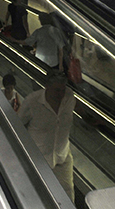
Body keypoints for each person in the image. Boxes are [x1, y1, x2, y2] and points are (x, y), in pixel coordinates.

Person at [18, 72, 75, 201]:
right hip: (39, 158)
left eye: (62, 90)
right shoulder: (32, 102)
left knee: (67, 193)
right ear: (47, 87)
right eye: (56, 90)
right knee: (39, 195)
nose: (60, 94)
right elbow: (18, 125)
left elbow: (77, 106)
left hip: (62, 156)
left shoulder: (69, 96)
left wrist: (90, 119)